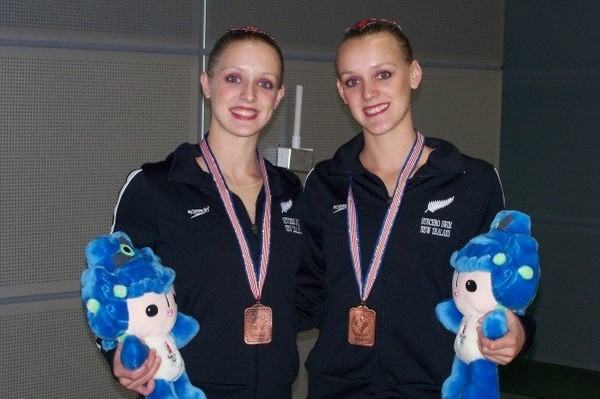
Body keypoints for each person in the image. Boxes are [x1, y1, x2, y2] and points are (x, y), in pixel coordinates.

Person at [296, 18, 536, 398]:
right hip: (338, 389)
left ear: (414, 74)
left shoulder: (472, 181)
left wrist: (519, 331)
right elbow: (303, 293)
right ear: (342, 92)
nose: (369, 93)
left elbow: (501, 284)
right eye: (353, 81)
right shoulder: (324, 185)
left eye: (384, 74)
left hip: (437, 386)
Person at [106, 26, 304, 398]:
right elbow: (115, 279)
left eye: (264, 84)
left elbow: (306, 291)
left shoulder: (290, 191)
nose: (248, 95)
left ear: (277, 98)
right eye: (233, 78)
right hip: (183, 388)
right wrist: (119, 348)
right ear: (207, 84)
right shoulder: (155, 186)